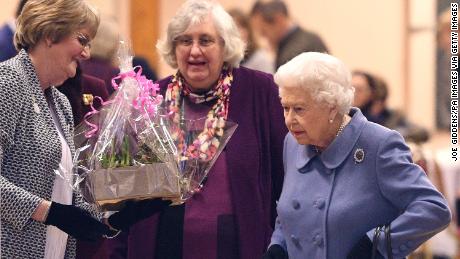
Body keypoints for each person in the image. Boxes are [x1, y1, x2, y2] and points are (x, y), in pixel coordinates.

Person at [105, 1, 287, 259]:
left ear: (225, 45)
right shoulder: (151, 98)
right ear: (173, 47)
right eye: (185, 41)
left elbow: (286, 179)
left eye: (206, 40)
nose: (195, 51)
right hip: (161, 245)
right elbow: (123, 193)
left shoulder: (260, 92)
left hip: (237, 247)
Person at [0, 1, 169, 258]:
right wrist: (49, 212)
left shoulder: (60, 102)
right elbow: (58, 211)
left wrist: (119, 213)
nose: (87, 53)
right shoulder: (8, 82)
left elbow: (70, 197)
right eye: (82, 40)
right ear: (50, 33)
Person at [262, 52, 451, 259]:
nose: (289, 120)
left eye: (299, 109)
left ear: (331, 108)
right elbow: (291, 210)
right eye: (285, 108)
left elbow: (433, 208)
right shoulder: (293, 143)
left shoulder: (378, 144)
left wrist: (375, 245)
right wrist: (277, 247)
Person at [250, 0, 328, 69]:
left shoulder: (290, 54)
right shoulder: (312, 37)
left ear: (279, 20)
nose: (264, 39)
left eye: (264, 32)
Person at [228, 8, 274, 73]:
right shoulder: (225, 61)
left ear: (249, 31)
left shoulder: (260, 59)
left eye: (241, 27)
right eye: (234, 28)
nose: (239, 32)